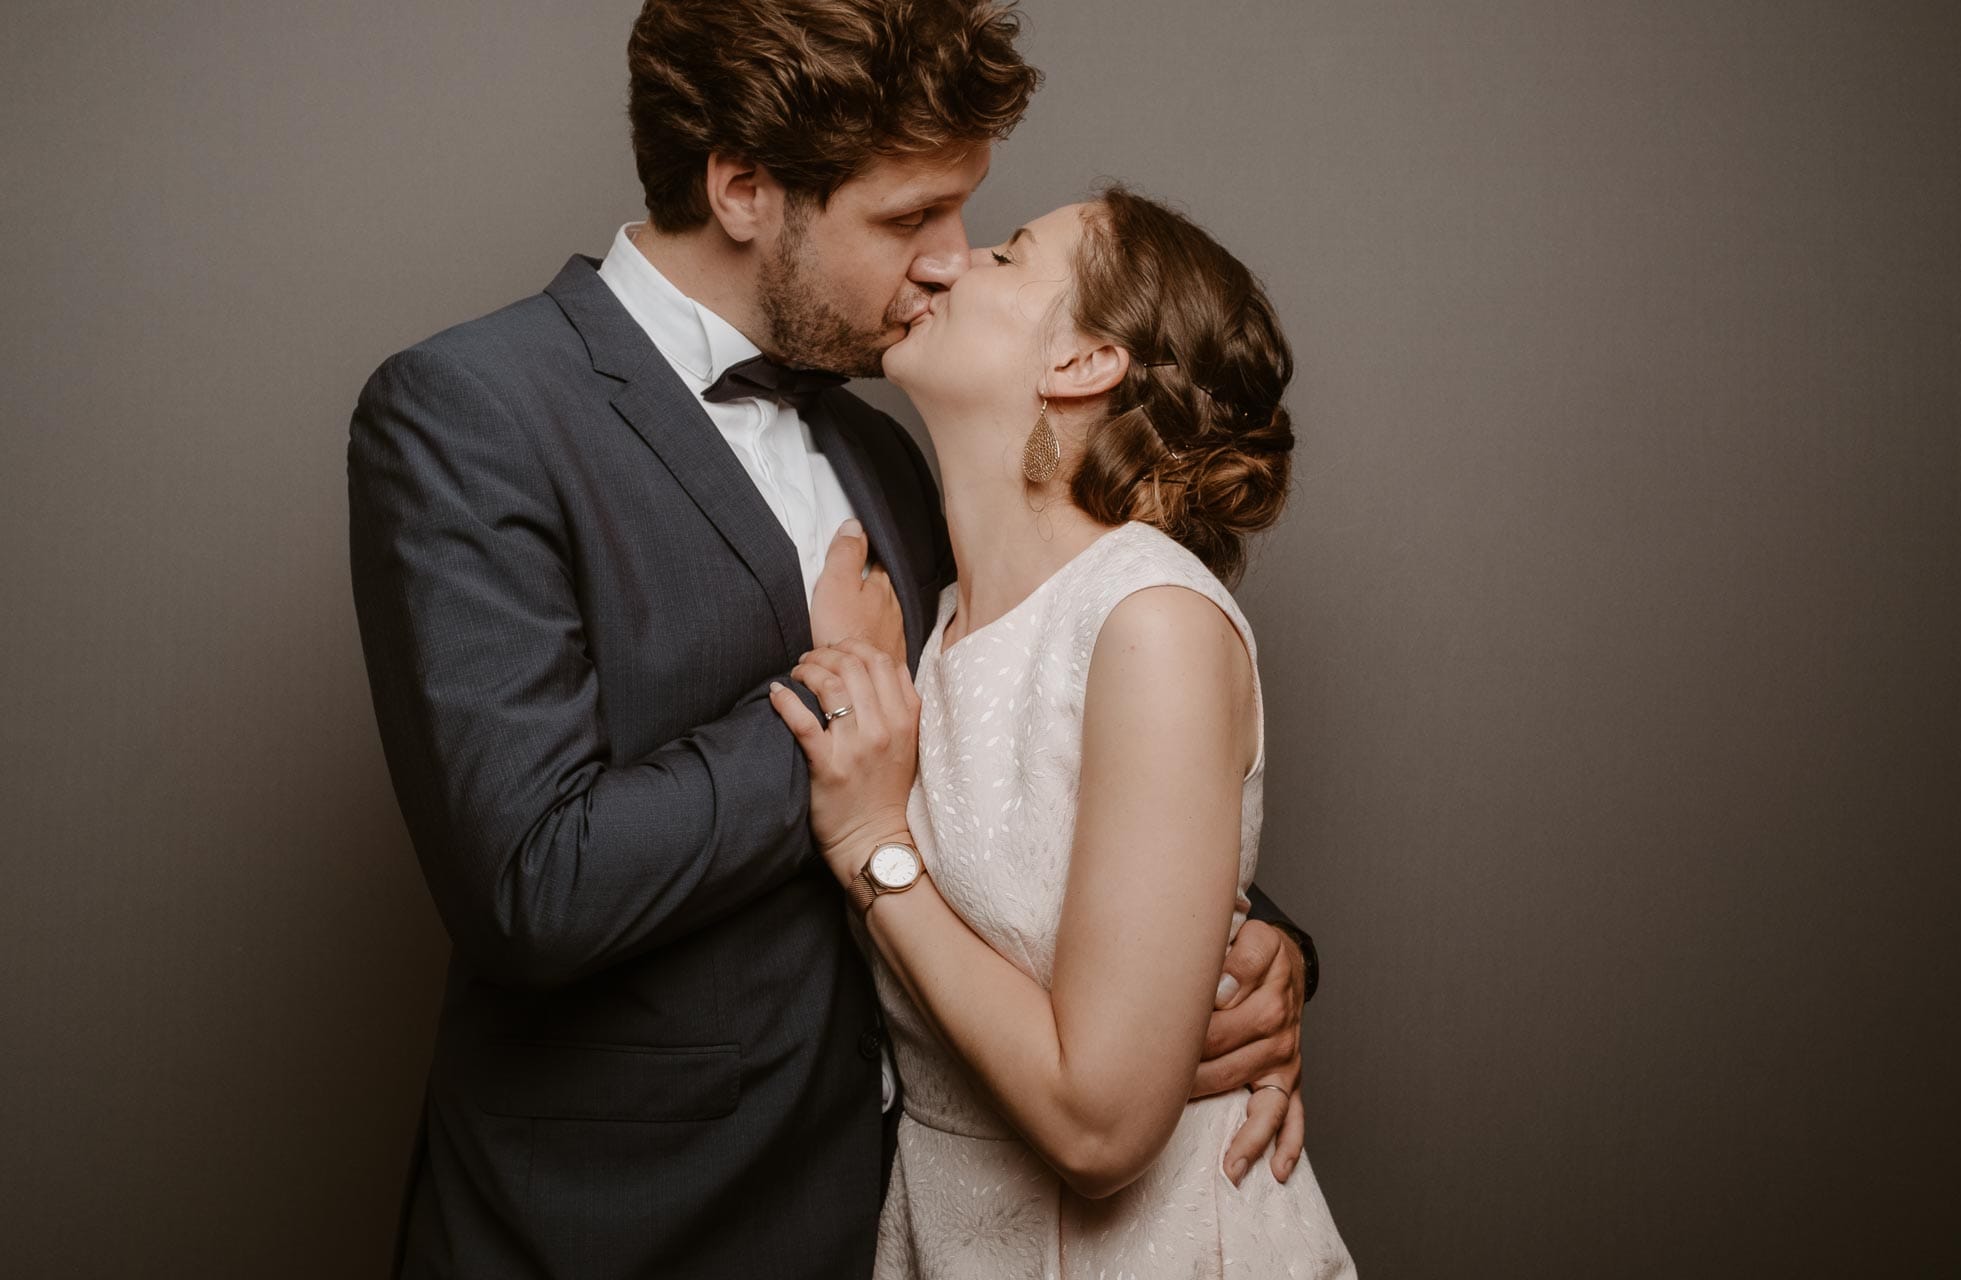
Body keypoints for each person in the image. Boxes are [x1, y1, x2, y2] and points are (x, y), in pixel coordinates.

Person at [346, 2, 1319, 1276]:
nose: (944, 261)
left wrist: (1260, 948)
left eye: (964, 216)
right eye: (908, 217)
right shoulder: (468, 412)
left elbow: (1025, 754)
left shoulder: (889, 450)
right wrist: (829, 709)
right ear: (744, 187)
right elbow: (533, 879)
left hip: (894, 1218)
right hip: (614, 1229)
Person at [770, 187, 1354, 1275]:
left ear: (1084, 361)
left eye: (1001, 253)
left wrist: (869, 847)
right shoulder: (935, 629)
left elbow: (1101, 1126)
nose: (943, 264)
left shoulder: (1152, 622)